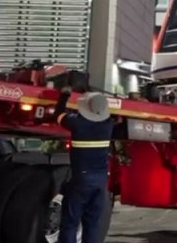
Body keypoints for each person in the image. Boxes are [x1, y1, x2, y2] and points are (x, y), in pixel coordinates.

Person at [53, 86, 115, 243]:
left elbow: (58, 115)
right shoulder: (107, 125)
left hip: (82, 180)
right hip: (100, 182)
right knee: (92, 224)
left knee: (70, 223)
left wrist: (64, 96)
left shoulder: (78, 124)